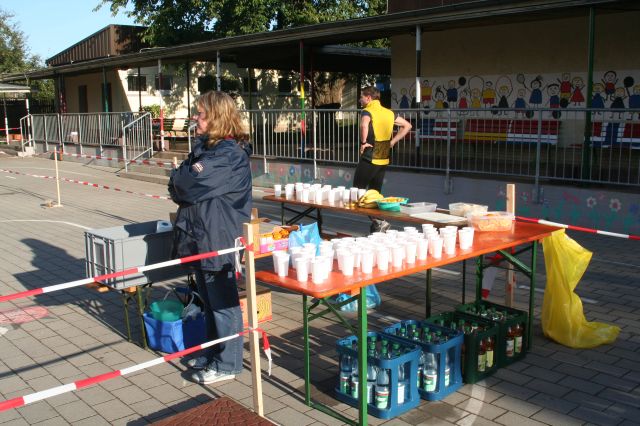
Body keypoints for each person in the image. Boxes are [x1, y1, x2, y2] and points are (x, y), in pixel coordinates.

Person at [168, 91, 252, 384]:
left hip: (218, 237)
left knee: (223, 303)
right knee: (208, 301)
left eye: (200, 113)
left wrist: (181, 178)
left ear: (216, 117)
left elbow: (185, 185)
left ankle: (228, 363)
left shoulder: (228, 155)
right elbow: (179, 183)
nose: (195, 117)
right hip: (201, 235)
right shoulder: (206, 149)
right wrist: (181, 178)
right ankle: (214, 351)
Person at [353, 86, 412, 193]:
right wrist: (392, 142)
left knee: (356, 190)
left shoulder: (367, 111)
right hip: (384, 155)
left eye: (361, 97)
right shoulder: (389, 113)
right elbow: (408, 126)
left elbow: (364, 125)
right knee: (375, 192)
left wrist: (363, 142)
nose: (359, 100)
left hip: (370, 155)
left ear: (368, 98)